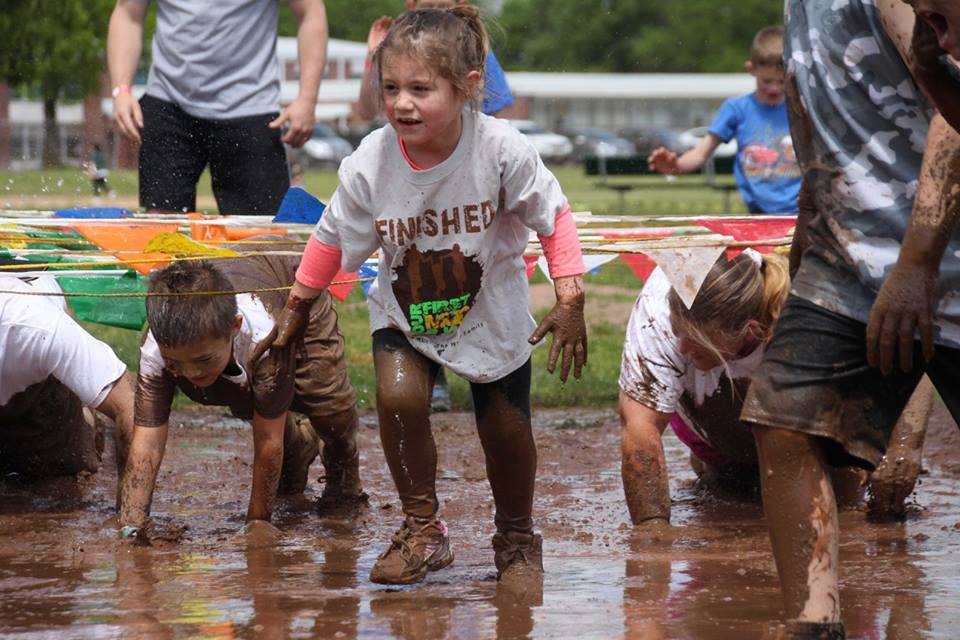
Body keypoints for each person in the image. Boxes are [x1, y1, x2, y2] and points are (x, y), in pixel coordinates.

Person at [259, 7, 587, 588]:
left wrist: (570, 293)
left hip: (492, 311)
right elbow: (330, 239)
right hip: (403, 311)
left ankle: (516, 539)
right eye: (390, 88)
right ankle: (423, 531)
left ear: (468, 87)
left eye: (420, 88)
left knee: (505, 431)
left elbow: (555, 217)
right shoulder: (370, 162)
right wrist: (295, 309)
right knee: (399, 399)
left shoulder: (502, 149)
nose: (402, 103)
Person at [740, 1, 960, 637]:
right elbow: (820, 114)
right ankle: (814, 624)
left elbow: (956, 100)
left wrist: (918, 261)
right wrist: (809, 235)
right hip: (851, 259)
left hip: (939, 250)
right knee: (784, 419)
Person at [618, 252, 933, 531]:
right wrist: (652, 535)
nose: (682, 347)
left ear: (750, 330)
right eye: (678, 332)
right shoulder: (658, 308)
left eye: (696, 339)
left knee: (841, 505)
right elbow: (640, 429)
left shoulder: (816, 303)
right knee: (728, 492)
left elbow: (905, 352)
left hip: (806, 401)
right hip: (708, 420)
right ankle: (719, 463)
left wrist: (903, 449)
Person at [118, 254, 361, 538]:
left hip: (297, 299)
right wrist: (131, 526)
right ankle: (299, 449)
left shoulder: (262, 339)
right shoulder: (155, 350)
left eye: (203, 359)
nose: (190, 373)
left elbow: (267, 440)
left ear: (234, 327)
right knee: (247, 402)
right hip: (237, 327)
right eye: (174, 364)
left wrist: (257, 523)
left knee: (328, 406)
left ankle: (344, 474)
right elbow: (146, 442)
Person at [356, 0, 516, 412]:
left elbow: (495, 113)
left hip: (461, 181)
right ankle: (430, 376)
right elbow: (365, 109)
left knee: (462, 275)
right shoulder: (393, 41)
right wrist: (372, 59)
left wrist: (491, 170)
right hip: (403, 182)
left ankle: (486, 377)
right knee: (419, 276)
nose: (432, 4)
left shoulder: (467, 47)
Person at [106, 0, 329, 215]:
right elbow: (128, 13)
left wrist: (307, 100)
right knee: (162, 229)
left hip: (251, 106)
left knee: (262, 236)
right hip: (169, 102)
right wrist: (121, 90)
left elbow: (311, 12)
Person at [647, 26, 801, 215]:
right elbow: (701, 153)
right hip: (758, 213)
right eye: (767, 81)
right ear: (751, 70)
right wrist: (676, 166)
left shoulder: (800, 108)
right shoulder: (737, 109)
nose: (774, 88)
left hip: (800, 212)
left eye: (781, 81)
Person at [0, 275, 135, 488]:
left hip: (32, 391)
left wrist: (130, 518)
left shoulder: (34, 322)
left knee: (54, 486)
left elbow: (128, 405)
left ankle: (84, 414)